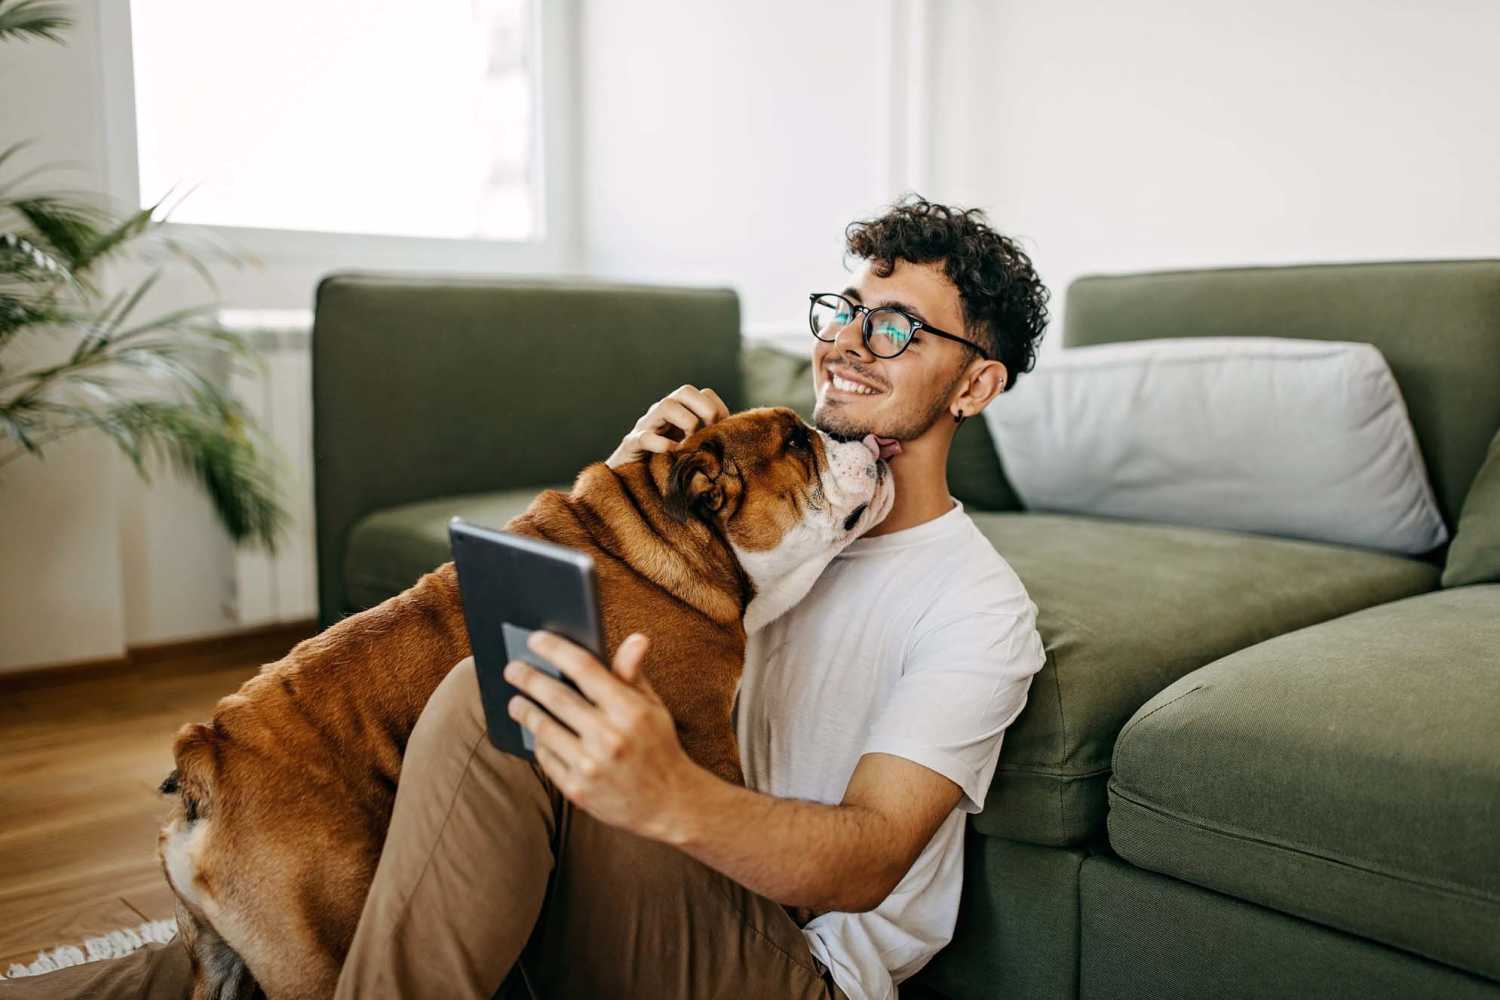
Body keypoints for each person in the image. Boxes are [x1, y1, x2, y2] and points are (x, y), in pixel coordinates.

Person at [1, 196, 1049, 1000]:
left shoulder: (975, 608)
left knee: (494, 698)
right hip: (617, 890)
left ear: (976, 384)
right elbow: (541, 625)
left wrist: (669, 796)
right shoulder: (756, 538)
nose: (846, 342)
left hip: (790, 966)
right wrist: (630, 508)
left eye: (898, 328)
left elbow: (866, 860)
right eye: (845, 312)